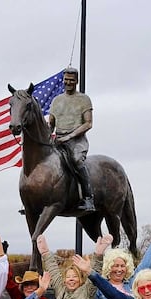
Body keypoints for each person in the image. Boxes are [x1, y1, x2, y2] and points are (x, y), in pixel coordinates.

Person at [48, 66, 95, 211]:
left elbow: (88, 123)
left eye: (71, 80)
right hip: (59, 140)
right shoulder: (56, 100)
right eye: (66, 80)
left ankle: (88, 198)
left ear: (77, 81)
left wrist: (70, 136)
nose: (68, 82)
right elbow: (51, 124)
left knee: (76, 160)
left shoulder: (84, 99)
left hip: (77, 140)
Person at [37, 234, 103, 299]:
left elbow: (95, 276)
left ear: (80, 279)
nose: (71, 279)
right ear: (65, 280)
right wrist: (45, 253)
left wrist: (98, 256)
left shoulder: (87, 291)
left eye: (75, 276)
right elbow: (54, 272)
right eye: (68, 277)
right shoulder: (61, 289)